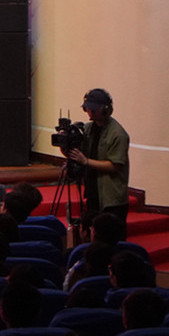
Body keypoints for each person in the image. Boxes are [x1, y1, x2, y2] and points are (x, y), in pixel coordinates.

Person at [63, 88, 130, 238]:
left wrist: (85, 161)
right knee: (95, 235)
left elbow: (114, 166)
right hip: (94, 191)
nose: (90, 112)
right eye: (88, 109)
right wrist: (66, 145)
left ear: (105, 109)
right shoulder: (88, 129)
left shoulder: (117, 134)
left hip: (111, 197)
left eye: (94, 109)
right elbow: (77, 153)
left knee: (114, 238)